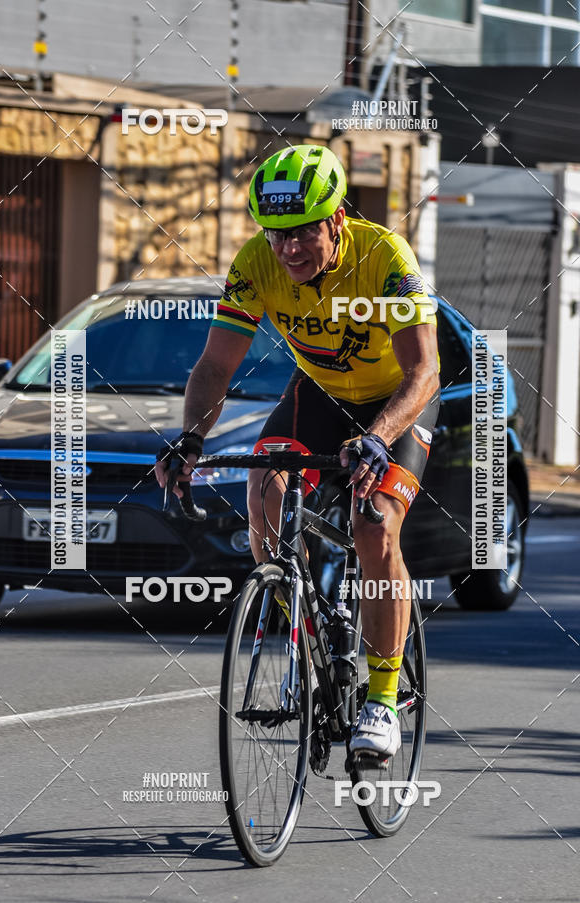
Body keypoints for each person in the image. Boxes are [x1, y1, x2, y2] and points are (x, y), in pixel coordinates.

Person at [155, 144, 440, 759]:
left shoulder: (385, 258)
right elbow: (215, 366)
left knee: (374, 525)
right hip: (320, 394)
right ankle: (308, 630)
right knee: (264, 489)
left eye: (304, 232)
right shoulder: (255, 262)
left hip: (396, 401)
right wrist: (191, 437)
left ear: (337, 220)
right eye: (276, 234)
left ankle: (382, 698)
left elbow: (424, 371)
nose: (288, 250)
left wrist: (378, 438)